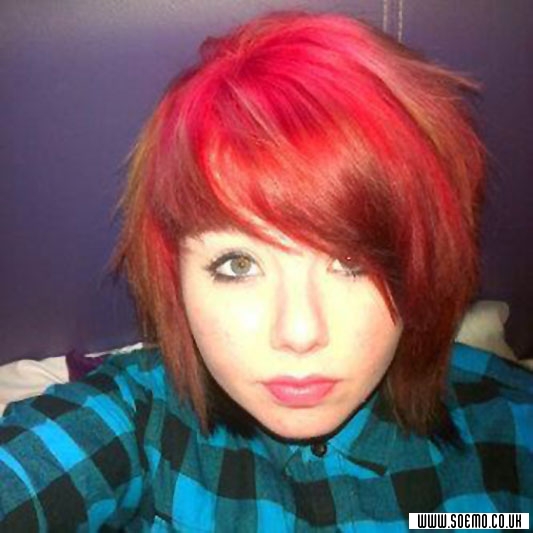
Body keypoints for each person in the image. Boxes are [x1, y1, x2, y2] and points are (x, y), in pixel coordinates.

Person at [1, 11, 531, 532]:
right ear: (176, 278)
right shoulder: (135, 422)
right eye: (238, 264)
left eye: (353, 262)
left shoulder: (512, 429)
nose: (299, 333)